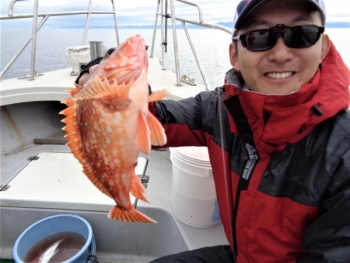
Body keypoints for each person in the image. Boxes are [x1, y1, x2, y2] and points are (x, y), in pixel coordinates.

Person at [76, 0, 350, 262]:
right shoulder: (220, 108)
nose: (280, 54)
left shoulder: (343, 154)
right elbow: (156, 123)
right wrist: (112, 92)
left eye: (302, 34)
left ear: (324, 46)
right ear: (235, 56)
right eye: (258, 37)